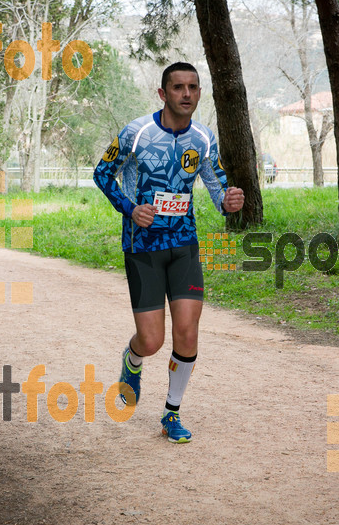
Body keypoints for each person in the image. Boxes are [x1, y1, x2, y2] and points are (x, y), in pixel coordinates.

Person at [93, 62, 245, 443]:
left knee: (188, 333)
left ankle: (171, 414)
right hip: (142, 248)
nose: (187, 94)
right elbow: (101, 173)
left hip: (184, 247)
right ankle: (133, 360)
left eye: (193, 87)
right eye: (178, 87)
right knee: (152, 341)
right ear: (163, 94)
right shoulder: (136, 132)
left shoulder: (203, 138)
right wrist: (130, 208)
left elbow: (216, 188)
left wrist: (229, 201)